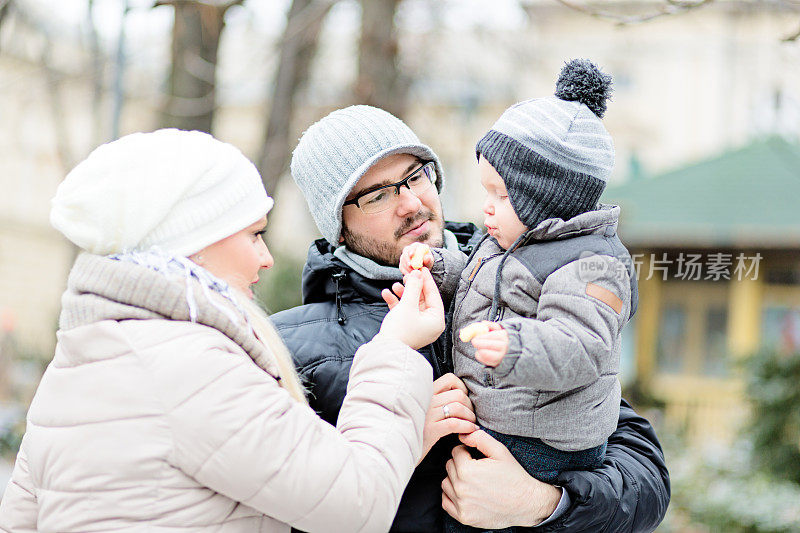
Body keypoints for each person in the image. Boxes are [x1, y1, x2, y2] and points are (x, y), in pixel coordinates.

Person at [0, 128, 447, 532]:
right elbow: (356, 504)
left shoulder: (76, 365)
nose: (266, 258)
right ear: (195, 243)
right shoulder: (191, 366)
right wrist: (395, 346)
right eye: (253, 234)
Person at [272, 105, 670, 531]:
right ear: (340, 227)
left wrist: (544, 504)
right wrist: (402, 435)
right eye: (378, 195)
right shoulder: (291, 352)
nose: (410, 203)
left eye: (415, 176)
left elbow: (646, 477)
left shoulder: (530, 278)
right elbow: (283, 512)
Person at [400, 59, 636, 533]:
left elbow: (582, 345)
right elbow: (479, 279)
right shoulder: (508, 240)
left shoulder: (593, 265)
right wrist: (437, 268)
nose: (486, 205)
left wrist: (516, 344)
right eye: (486, 189)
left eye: (502, 195)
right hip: (503, 422)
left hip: (545, 443)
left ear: (545, 198)